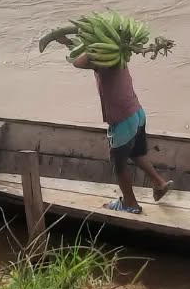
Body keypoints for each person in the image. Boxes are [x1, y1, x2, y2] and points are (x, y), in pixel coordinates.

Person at [64, 43, 172, 214]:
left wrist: (86, 44)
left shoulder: (101, 59)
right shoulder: (117, 53)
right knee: (136, 154)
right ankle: (160, 182)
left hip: (122, 119)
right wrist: (70, 42)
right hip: (137, 112)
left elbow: (77, 62)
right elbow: (81, 55)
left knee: (119, 165)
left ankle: (130, 204)